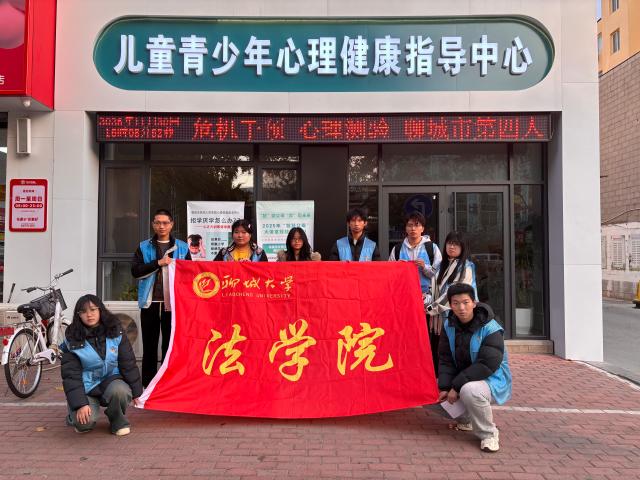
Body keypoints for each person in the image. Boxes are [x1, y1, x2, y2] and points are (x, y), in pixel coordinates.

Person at [437, 283, 512, 453]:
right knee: (430, 389)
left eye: (465, 302)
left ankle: (489, 434)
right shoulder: (448, 325)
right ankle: (466, 420)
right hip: (463, 378)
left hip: (491, 379)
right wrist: (445, 387)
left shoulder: (490, 328)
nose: (461, 308)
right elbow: (445, 359)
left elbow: (487, 364)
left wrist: (456, 387)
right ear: (450, 305)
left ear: (474, 303)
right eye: (456, 303)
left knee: (470, 391)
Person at [61, 294, 142, 436]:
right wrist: (80, 404)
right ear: (78, 315)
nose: (89, 314)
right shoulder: (72, 338)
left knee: (121, 391)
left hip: (110, 381)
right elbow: (71, 376)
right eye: (83, 311)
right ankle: (73, 415)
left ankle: (117, 420)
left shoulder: (116, 331)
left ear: (100, 310)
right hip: (86, 388)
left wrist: (137, 392)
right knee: (83, 425)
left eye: (93, 309)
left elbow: (128, 363)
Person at [131, 209, 190, 387]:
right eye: (158, 222)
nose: (161, 226)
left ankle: (166, 383)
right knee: (149, 345)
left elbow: (189, 274)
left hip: (173, 304)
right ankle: (148, 384)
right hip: (150, 302)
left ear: (171, 224)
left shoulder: (182, 247)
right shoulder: (143, 246)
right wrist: (158, 263)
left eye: (165, 223)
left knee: (170, 345)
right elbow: (136, 271)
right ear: (153, 224)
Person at [388, 212, 442, 373]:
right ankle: (406, 366)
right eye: (410, 225)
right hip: (404, 300)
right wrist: (398, 268)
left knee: (425, 333)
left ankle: (426, 368)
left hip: (426, 299)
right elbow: (390, 275)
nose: (413, 229)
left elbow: (438, 274)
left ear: (422, 228)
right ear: (405, 228)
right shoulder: (397, 249)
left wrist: (424, 267)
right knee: (406, 333)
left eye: (417, 225)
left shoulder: (432, 248)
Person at [426, 232, 477, 375]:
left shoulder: (466, 267)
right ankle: (440, 381)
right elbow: (432, 289)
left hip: (455, 318)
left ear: (463, 247)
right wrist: (425, 299)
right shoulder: (442, 265)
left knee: (452, 352)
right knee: (439, 351)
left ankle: (451, 382)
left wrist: (430, 308)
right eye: (449, 243)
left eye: (456, 244)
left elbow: (454, 295)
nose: (452, 247)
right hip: (438, 318)